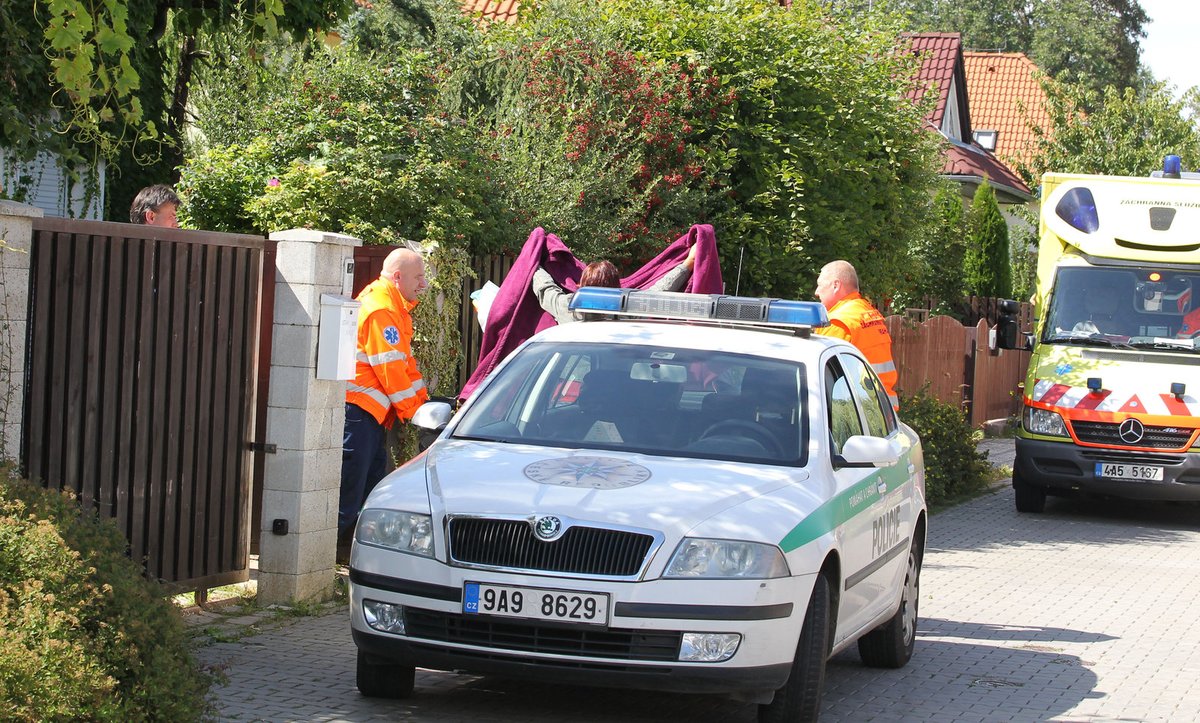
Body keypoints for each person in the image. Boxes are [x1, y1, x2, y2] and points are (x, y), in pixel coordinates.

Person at [339, 248, 430, 552]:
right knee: (352, 491)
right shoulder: (382, 310)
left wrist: (425, 405)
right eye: (418, 277)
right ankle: (329, 560)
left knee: (370, 485)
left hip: (371, 415)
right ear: (397, 276)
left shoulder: (393, 307)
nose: (424, 284)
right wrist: (416, 413)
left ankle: (352, 553)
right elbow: (391, 371)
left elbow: (406, 366)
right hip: (360, 412)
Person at [532, 243, 697, 323]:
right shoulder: (628, 309)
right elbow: (659, 290)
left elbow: (545, 289)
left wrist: (531, 260)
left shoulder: (567, 308)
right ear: (617, 287)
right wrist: (688, 263)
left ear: (581, 285)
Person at [813, 260, 899, 410]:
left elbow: (820, 378)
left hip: (860, 411)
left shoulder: (838, 321)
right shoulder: (868, 312)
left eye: (820, 285)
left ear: (835, 285)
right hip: (883, 410)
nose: (816, 292)